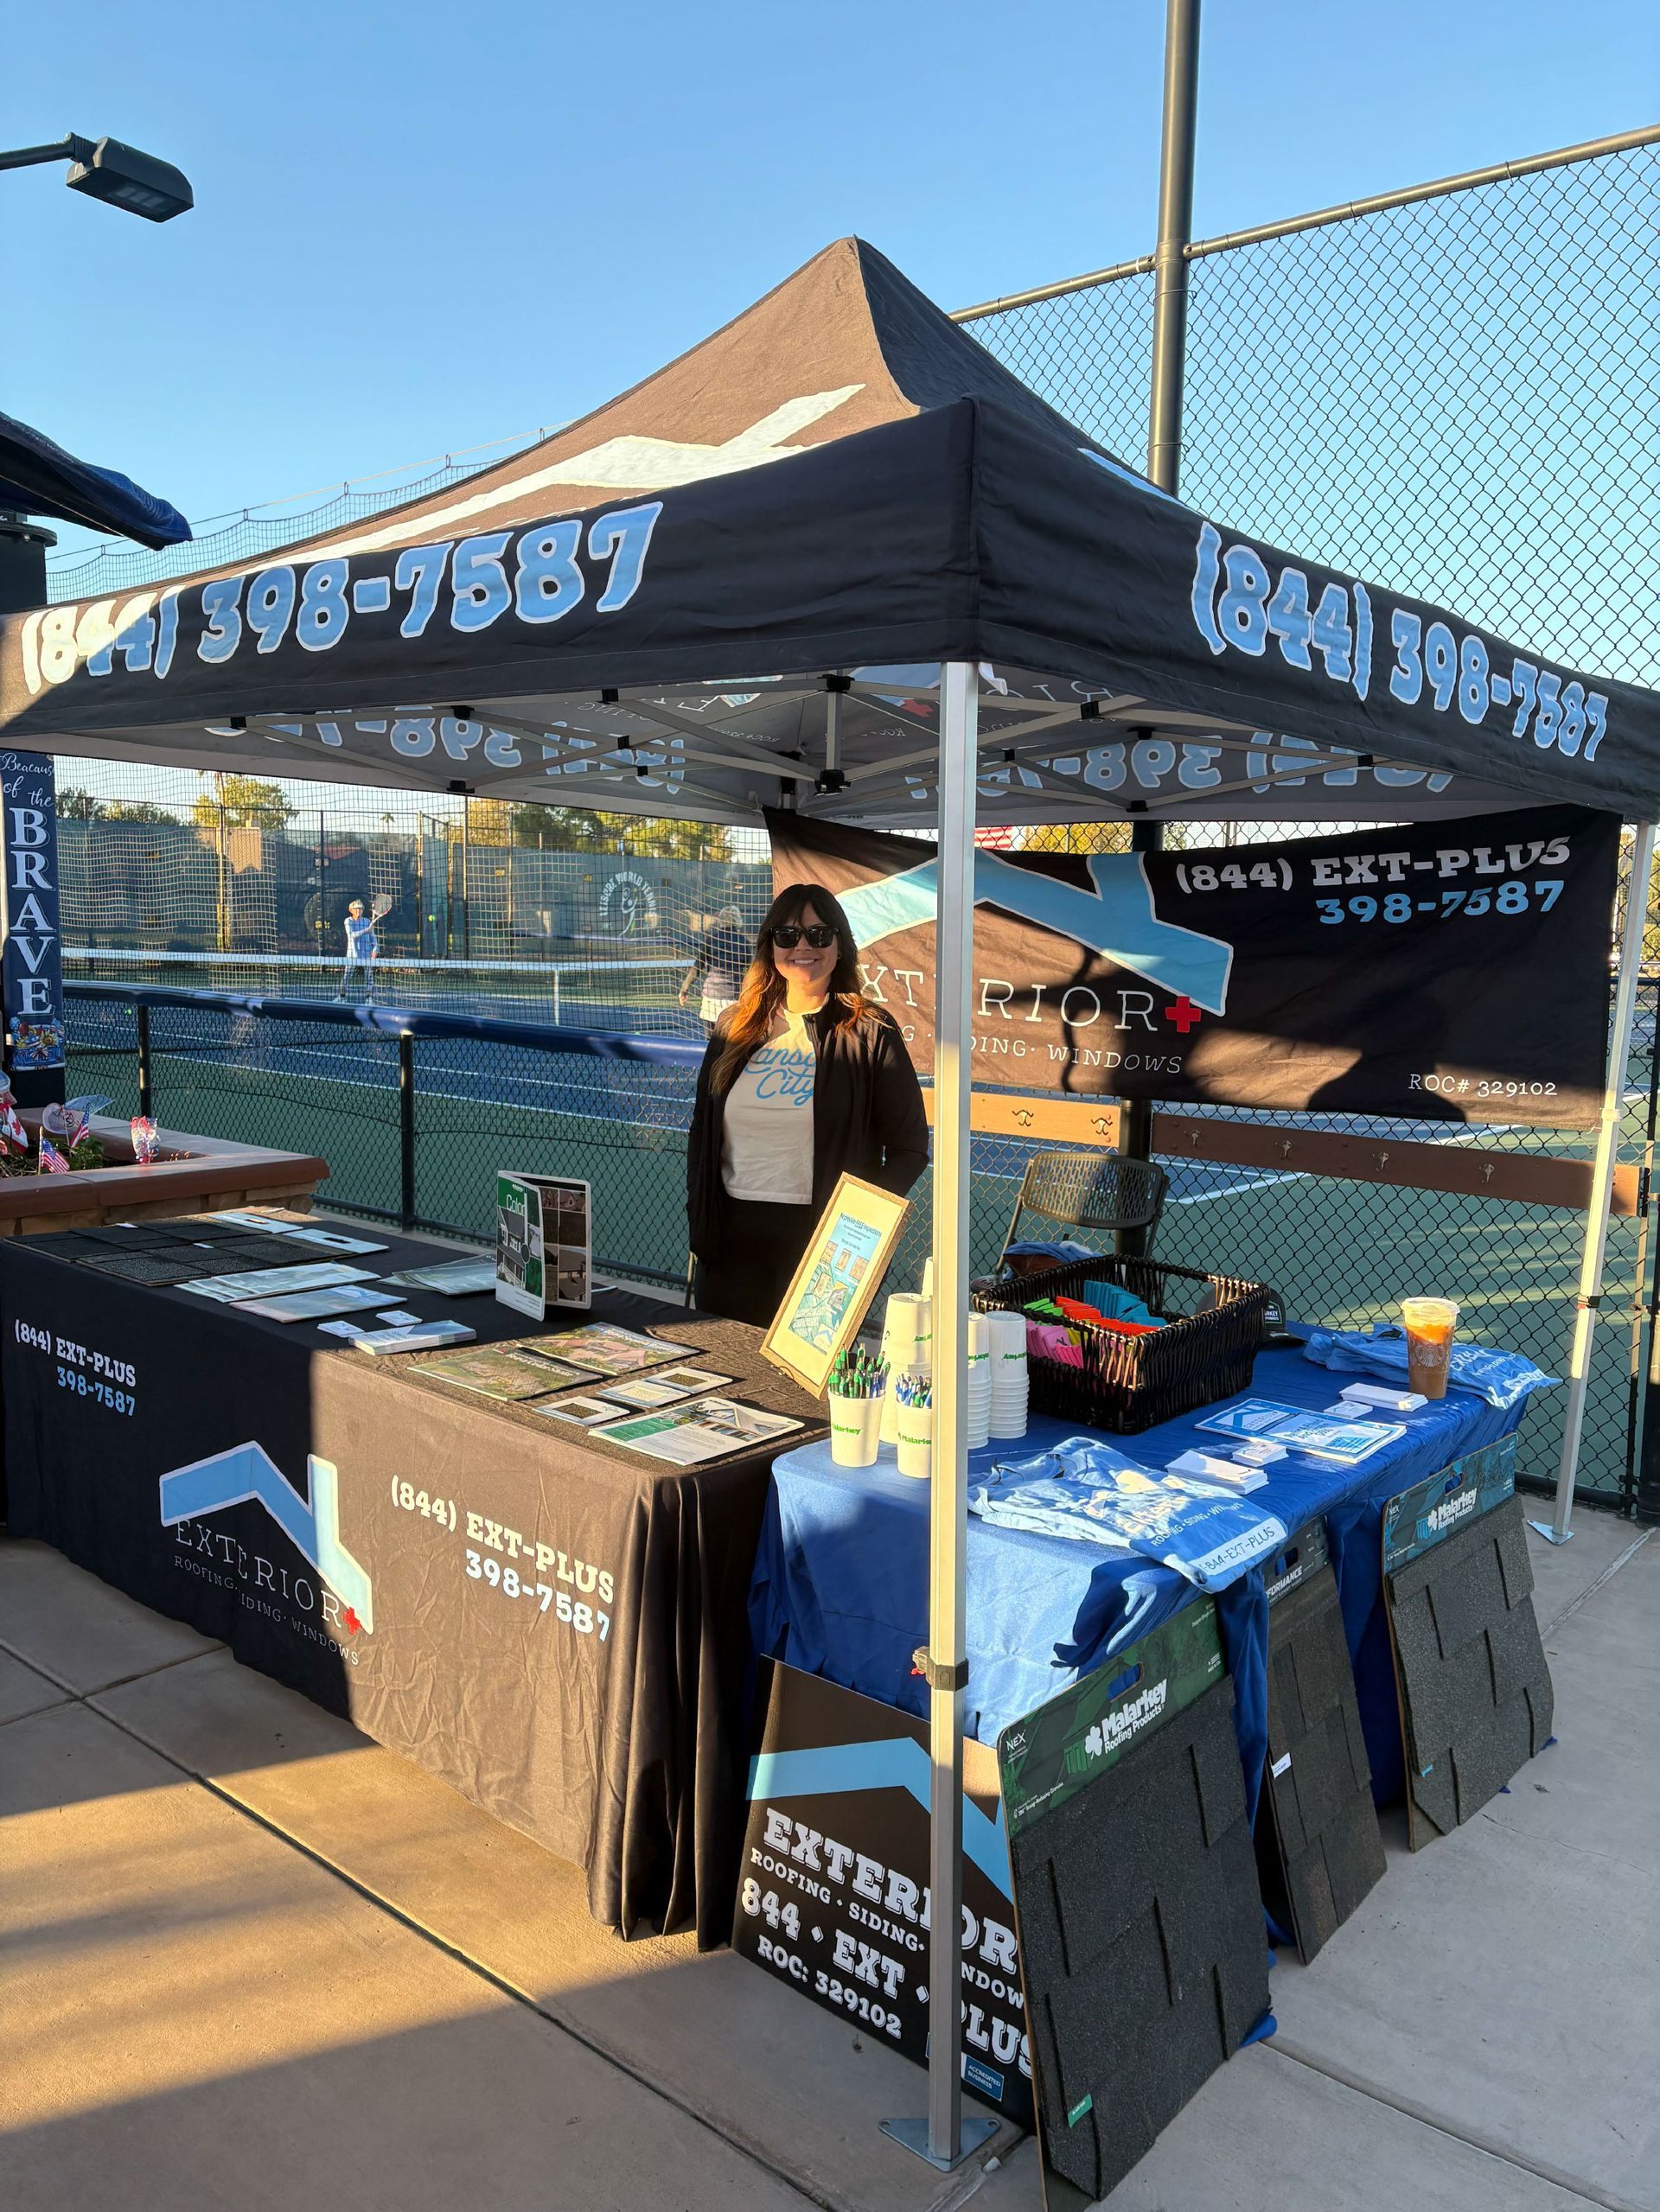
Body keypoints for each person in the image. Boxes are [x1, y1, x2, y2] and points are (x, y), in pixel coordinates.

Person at [686, 883, 929, 1327]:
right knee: (724, 1377)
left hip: (824, 1247)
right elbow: (703, 1129)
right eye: (788, 935)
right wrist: (700, 1217)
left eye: (819, 935)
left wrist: (856, 1226)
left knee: (805, 1392)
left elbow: (910, 1148)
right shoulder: (733, 1025)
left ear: (839, 947)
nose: (803, 946)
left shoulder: (869, 1031)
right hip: (730, 1241)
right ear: (770, 947)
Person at [678, 905, 752, 1030]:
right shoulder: (743, 942)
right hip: (733, 998)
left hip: (711, 999)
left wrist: (684, 990)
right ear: (738, 920)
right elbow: (751, 970)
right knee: (731, 1043)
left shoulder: (711, 940)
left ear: (721, 920)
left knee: (710, 1043)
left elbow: (696, 968)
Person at [335, 900, 379, 1004]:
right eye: (356, 908)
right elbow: (351, 935)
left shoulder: (367, 922)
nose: (359, 910)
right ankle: (342, 997)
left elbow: (373, 936)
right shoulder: (348, 921)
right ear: (351, 910)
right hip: (353, 954)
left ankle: (369, 999)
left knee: (369, 977)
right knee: (346, 976)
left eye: (361, 908)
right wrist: (365, 931)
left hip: (367, 953)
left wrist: (375, 948)